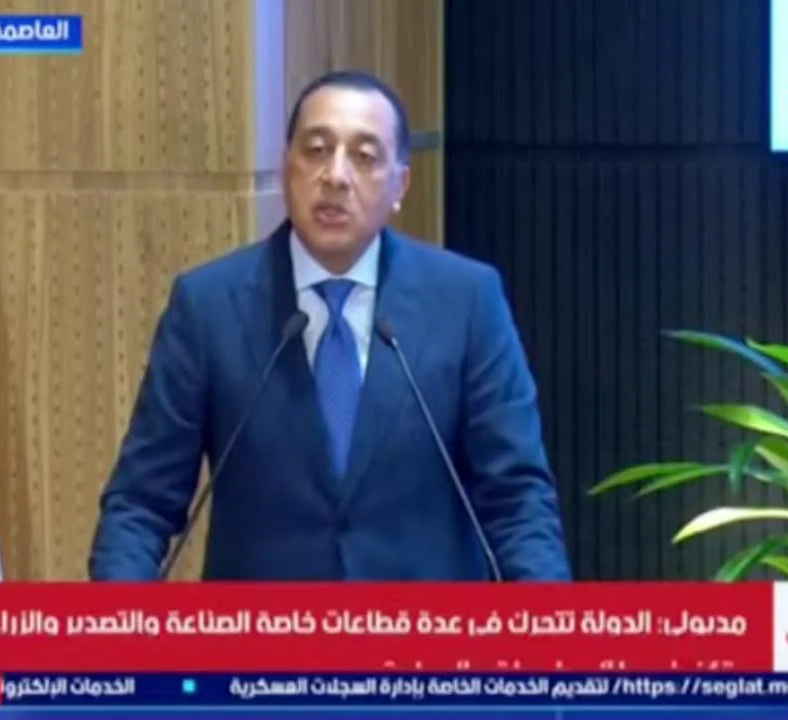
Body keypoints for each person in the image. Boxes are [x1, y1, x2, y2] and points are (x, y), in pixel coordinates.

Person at [89, 71, 570, 581]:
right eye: (317, 150)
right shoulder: (208, 307)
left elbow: (517, 499)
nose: (336, 176)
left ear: (400, 185)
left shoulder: (466, 301)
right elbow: (141, 504)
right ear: (287, 165)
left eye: (364, 156)